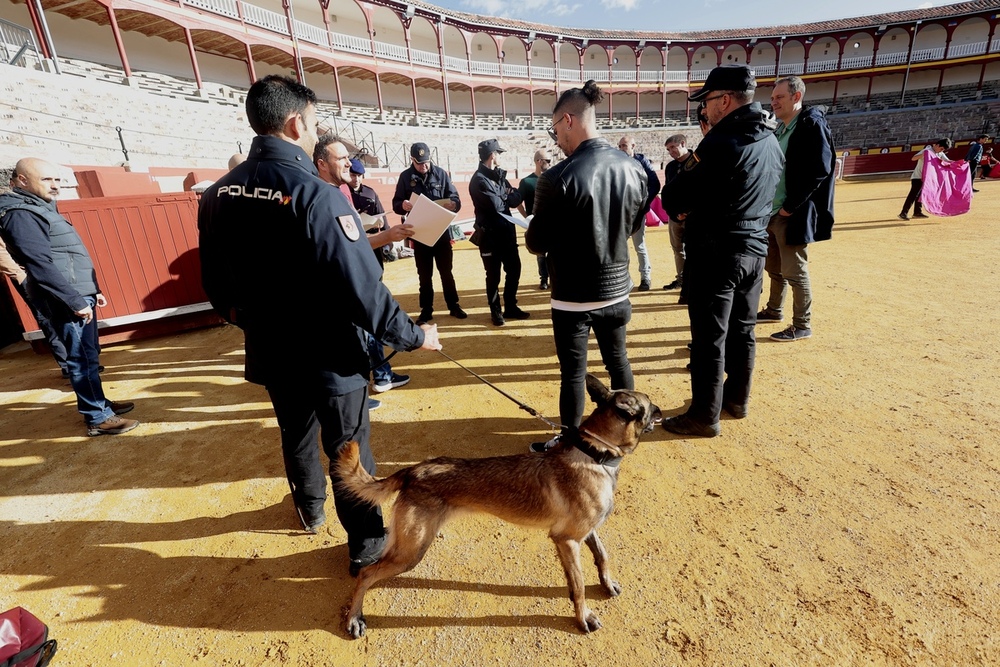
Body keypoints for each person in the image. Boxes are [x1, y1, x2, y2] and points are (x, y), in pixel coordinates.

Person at [198, 75, 441, 576]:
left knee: (295, 433)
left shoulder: (217, 194)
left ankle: (309, 509)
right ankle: (366, 543)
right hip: (330, 352)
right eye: (312, 125)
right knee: (348, 446)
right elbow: (363, 290)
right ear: (294, 123)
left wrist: (257, 322)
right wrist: (415, 337)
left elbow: (217, 288)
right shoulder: (316, 194)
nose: (314, 135)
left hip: (271, 346)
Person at [659, 65, 783, 437]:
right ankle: (736, 399)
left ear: (725, 100)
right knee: (743, 331)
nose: (705, 109)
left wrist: (679, 203)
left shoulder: (720, 141)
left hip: (716, 251)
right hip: (754, 247)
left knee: (709, 337)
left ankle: (704, 415)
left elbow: (677, 195)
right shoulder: (769, 138)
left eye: (709, 101)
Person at [525, 80, 647, 450]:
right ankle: (633, 426)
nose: (556, 138)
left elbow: (536, 244)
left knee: (574, 374)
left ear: (567, 120)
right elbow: (635, 225)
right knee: (618, 361)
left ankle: (569, 442)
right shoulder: (633, 167)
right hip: (616, 287)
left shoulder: (556, 177)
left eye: (555, 129)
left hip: (574, 294)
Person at [0, 158, 138, 436]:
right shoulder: (20, 212)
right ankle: (97, 418)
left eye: (57, 180)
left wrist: (91, 289)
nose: (55, 186)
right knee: (80, 358)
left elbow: (66, 255)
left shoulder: (36, 207)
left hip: (76, 292)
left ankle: (100, 405)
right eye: (47, 180)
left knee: (88, 355)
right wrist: (74, 299)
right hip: (64, 298)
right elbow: (40, 263)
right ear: (22, 180)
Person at [315, 144, 414, 402]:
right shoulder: (325, 196)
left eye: (349, 158)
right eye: (343, 158)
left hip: (351, 276)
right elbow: (352, 245)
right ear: (322, 164)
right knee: (365, 329)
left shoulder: (337, 192)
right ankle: (375, 379)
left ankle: (377, 377)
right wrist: (388, 236)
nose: (349, 164)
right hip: (348, 282)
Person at [756, 76, 836, 343]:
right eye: (773, 98)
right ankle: (773, 310)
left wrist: (790, 207)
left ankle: (802, 324)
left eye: (779, 97)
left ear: (796, 97)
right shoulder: (783, 128)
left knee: (795, 270)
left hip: (790, 212)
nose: (773, 101)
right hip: (774, 211)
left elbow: (820, 170)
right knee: (775, 268)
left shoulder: (810, 125)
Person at [391, 142, 465, 325]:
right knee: (424, 275)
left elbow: (455, 198)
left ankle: (453, 305)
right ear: (412, 160)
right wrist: (403, 205)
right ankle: (426, 310)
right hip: (420, 234)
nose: (424, 166)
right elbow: (396, 203)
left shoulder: (441, 173)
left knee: (446, 272)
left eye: (426, 162)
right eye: (419, 163)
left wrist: (453, 204)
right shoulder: (405, 177)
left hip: (441, 234)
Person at [469, 138, 527, 326]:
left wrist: (509, 196)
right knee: (493, 276)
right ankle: (496, 311)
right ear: (493, 156)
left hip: (507, 235)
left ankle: (510, 306)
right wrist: (507, 195)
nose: (500, 156)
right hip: (490, 237)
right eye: (499, 153)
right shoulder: (478, 180)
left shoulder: (498, 176)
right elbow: (496, 206)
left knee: (514, 270)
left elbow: (517, 196)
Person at [617, 135, 660, 291]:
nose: (622, 149)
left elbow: (655, 184)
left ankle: (645, 278)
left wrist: (642, 204)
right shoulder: (616, 162)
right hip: (622, 213)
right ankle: (624, 280)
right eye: (620, 146)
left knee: (639, 246)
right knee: (620, 247)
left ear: (633, 146)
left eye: (625, 145)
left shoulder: (643, 162)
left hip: (638, 213)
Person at [661, 134, 696, 295]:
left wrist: (689, 212)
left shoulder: (698, 162)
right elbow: (667, 193)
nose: (670, 152)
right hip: (675, 217)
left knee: (694, 250)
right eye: (668, 149)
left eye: (673, 148)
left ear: (683, 143)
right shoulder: (670, 167)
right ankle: (682, 280)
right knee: (677, 250)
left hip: (694, 217)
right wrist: (674, 213)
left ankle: (693, 282)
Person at [516, 149, 551, 289]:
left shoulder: (552, 178)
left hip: (552, 222)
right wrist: (527, 218)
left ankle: (553, 278)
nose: (549, 163)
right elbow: (517, 201)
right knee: (540, 254)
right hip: (536, 223)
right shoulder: (526, 182)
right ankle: (544, 279)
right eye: (547, 160)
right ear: (539, 161)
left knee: (554, 252)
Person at [899, 138, 954, 220]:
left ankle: (917, 212)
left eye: (943, 150)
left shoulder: (940, 153)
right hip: (918, 177)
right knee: (913, 195)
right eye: (941, 148)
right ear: (938, 145)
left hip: (927, 178)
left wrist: (960, 163)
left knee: (921, 195)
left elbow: (947, 161)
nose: (941, 151)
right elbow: (913, 158)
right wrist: (924, 154)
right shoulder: (927, 150)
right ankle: (903, 213)